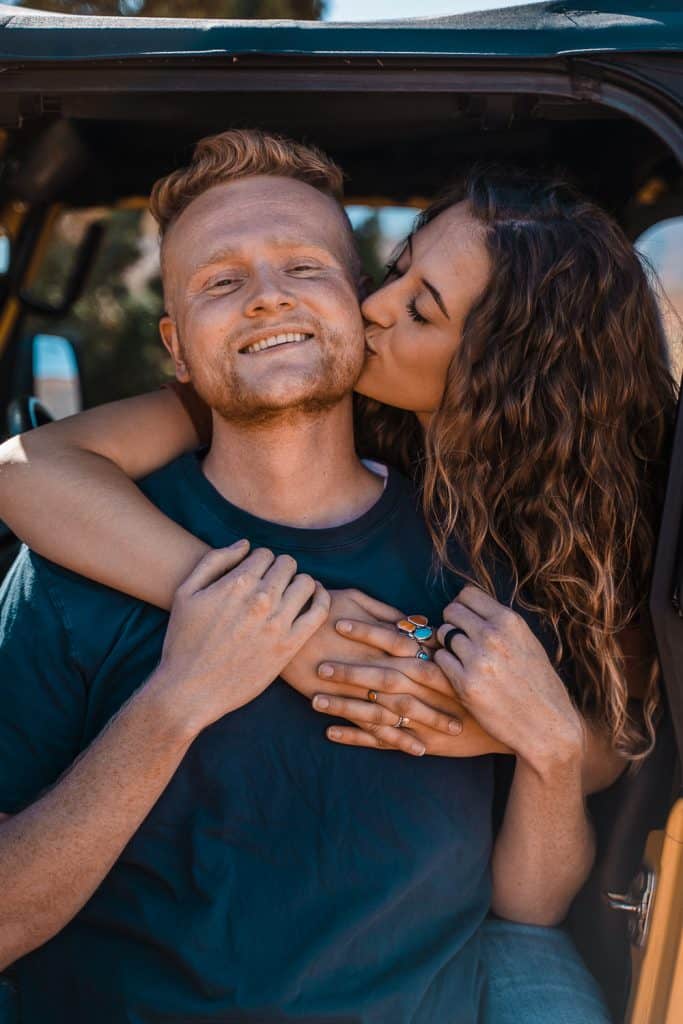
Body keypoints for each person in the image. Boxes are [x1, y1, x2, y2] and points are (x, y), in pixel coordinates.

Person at [0, 129, 672, 1021]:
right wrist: (228, 656)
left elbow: (600, 775)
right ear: (175, 344)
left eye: (307, 268)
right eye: (220, 281)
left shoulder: (512, 561)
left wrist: (536, 739)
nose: (269, 296)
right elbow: (24, 468)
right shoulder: (88, 555)